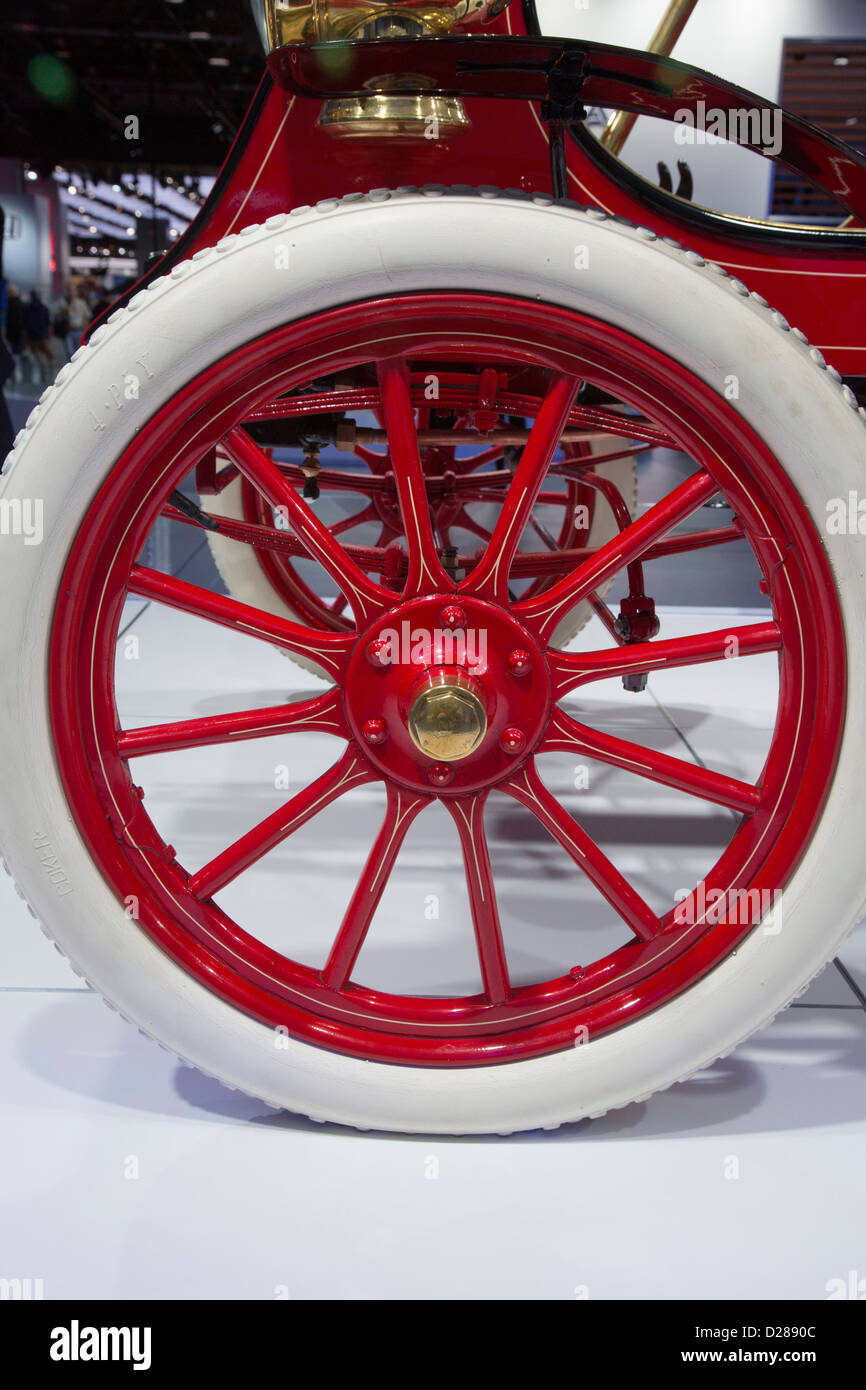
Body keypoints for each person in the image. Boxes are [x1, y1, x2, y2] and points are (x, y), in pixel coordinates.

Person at [22, 289, 54, 383]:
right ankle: (51, 371)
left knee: (38, 356)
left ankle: (43, 370)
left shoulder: (26, 308)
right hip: (43, 335)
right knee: (49, 354)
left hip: (32, 337)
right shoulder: (44, 308)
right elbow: (48, 322)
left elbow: (24, 323)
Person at [66, 286, 91, 358]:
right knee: (70, 353)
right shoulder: (65, 302)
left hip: (79, 330)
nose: (71, 293)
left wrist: (86, 331)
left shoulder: (81, 302)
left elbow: (87, 316)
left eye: (73, 291)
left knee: (80, 352)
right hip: (68, 331)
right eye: (70, 291)